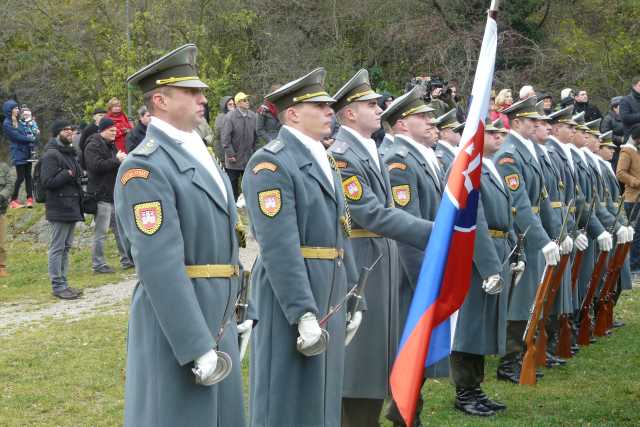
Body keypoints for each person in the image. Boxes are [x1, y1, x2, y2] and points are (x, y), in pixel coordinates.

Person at [115, 44, 246, 427]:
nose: (203, 98)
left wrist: (240, 307)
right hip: (181, 323)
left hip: (216, 312)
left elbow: (225, 243)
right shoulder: (145, 168)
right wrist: (195, 344)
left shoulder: (199, 153)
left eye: (200, 91)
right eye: (191, 92)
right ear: (160, 100)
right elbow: (159, 265)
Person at [242, 68, 359, 427]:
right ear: (292, 114)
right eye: (319, 106)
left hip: (328, 286)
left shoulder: (324, 158)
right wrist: (302, 312)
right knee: (285, 395)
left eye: (329, 106)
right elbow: (278, 245)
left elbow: (341, 231)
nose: (329, 111)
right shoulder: (271, 163)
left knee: (320, 393)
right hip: (293, 292)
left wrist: (355, 294)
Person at [328, 73, 434, 427]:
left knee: (377, 353)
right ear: (349, 113)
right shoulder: (343, 156)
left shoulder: (367, 149)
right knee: (360, 360)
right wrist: (433, 233)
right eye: (370, 104)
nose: (379, 109)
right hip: (363, 261)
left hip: (379, 259)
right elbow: (369, 212)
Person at [493, 96, 562, 383]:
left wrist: (554, 235)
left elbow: (542, 198)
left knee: (531, 298)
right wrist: (541, 240)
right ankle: (509, 361)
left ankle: (521, 354)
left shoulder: (526, 151)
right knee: (519, 302)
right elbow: (520, 205)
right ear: (517, 122)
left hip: (532, 233)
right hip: (521, 236)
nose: (538, 124)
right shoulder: (508, 155)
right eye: (532, 120)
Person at [449, 119, 513, 417]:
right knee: (470, 326)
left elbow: (507, 214)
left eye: (502, 133)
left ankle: (475, 388)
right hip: (475, 254)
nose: (500, 137)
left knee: (483, 323)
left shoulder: (490, 166)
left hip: (497, 248)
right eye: (493, 132)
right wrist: (489, 266)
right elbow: (474, 218)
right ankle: (464, 391)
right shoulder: (468, 168)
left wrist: (512, 251)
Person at [40, 120, 84, 300]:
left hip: (71, 206)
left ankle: (64, 284)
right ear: (57, 133)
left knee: (65, 248)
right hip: (59, 207)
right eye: (65, 129)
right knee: (57, 248)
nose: (70, 132)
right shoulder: (51, 155)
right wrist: (67, 174)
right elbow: (47, 182)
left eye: (71, 129)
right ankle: (57, 286)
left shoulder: (69, 153)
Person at [84, 117, 132, 273]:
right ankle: (98, 264)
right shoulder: (92, 146)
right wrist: (116, 160)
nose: (114, 133)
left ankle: (127, 259)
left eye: (115, 130)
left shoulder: (110, 145)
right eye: (111, 130)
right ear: (103, 130)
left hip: (113, 193)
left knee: (120, 230)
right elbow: (95, 166)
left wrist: (122, 161)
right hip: (100, 195)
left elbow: (112, 164)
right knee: (101, 232)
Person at [221, 91, 257, 200]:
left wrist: (255, 152)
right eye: (244, 100)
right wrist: (230, 154)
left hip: (248, 157)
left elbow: (256, 136)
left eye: (247, 100)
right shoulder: (229, 117)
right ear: (238, 103)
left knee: (249, 182)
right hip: (234, 157)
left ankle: (248, 202)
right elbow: (225, 138)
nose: (247, 102)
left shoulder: (253, 116)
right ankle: (234, 203)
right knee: (233, 183)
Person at [2, 100, 36, 208]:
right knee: (20, 177)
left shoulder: (20, 121)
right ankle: (13, 200)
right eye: (15, 108)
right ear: (10, 110)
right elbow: (16, 137)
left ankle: (30, 199)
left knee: (28, 176)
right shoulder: (7, 123)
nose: (18, 110)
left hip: (27, 151)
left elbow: (27, 131)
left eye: (18, 108)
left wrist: (33, 130)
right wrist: (30, 139)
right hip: (18, 152)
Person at [616, 125, 640, 276]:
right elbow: (620, 173)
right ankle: (633, 267)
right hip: (633, 199)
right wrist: (636, 182)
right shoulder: (627, 151)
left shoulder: (636, 151)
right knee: (636, 234)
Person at [434, 108, 464, 173]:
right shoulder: (440, 157)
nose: (460, 133)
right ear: (445, 134)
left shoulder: (454, 149)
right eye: (456, 130)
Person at [0, 160, 16, 277]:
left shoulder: (3, 167)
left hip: (0, 209)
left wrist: (1, 196)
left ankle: (1, 267)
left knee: (1, 241)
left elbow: (10, 185)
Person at [600, 96, 625, 168]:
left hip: (626, 149)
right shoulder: (607, 119)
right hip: (614, 151)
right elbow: (605, 135)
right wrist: (620, 139)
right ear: (615, 108)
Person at [619, 76, 640, 142]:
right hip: (632, 136)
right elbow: (625, 118)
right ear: (634, 86)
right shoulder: (625, 100)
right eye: (639, 85)